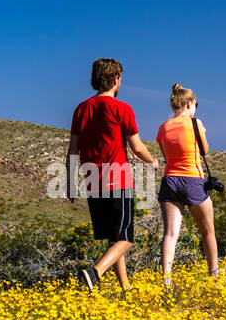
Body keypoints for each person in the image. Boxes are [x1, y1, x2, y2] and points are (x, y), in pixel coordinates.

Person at [66, 58, 158, 291]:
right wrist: (153, 161)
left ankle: (125, 287)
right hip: (117, 179)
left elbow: (73, 150)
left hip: (92, 181)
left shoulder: (81, 109)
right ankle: (94, 272)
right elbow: (137, 148)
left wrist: (69, 182)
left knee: (114, 239)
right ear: (116, 79)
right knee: (126, 238)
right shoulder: (122, 108)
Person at [156, 84, 220, 286]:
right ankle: (214, 274)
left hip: (170, 180)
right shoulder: (194, 123)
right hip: (192, 179)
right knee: (208, 231)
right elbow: (205, 150)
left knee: (170, 233)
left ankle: (166, 281)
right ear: (189, 103)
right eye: (196, 104)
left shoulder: (163, 127)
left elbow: (166, 155)